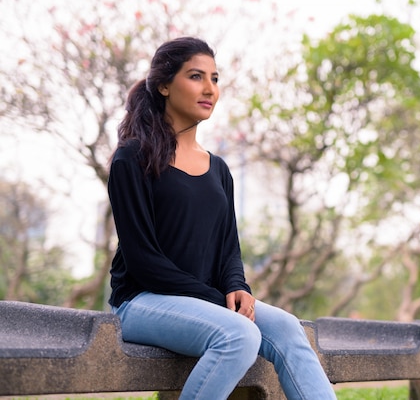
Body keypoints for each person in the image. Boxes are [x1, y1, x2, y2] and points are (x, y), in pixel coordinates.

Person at [107, 36, 336, 400]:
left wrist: (237, 287)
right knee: (238, 333)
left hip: (207, 301)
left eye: (215, 79)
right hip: (142, 301)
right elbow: (143, 260)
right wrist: (215, 298)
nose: (209, 88)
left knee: (289, 328)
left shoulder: (218, 169)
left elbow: (229, 245)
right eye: (196, 76)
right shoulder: (132, 158)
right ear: (164, 85)